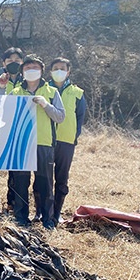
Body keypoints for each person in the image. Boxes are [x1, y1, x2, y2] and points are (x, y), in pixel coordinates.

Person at [9, 54, 65, 229]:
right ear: (22, 72)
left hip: (44, 143)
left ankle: (47, 220)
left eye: (35, 68)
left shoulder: (51, 92)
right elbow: (5, 117)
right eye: (27, 68)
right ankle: (21, 218)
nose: (31, 71)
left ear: (42, 71)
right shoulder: (15, 92)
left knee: (45, 184)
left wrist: (45, 105)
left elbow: (60, 117)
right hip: (21, 144)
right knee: (20, 182)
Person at [49, 57, 86, 225]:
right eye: (55, 68)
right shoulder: (45, 89)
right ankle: (43, 212)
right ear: (50, 71)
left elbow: (80, 118)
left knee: (61, 178)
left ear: (68, 71)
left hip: (66, 142)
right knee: (44, 178)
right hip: (46, 140)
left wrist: (74, 137)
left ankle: (57, 212)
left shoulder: (77, 93)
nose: (59, 71)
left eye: (62, 68)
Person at [0, 47, 25, 212]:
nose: (13, 63)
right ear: (4, 63)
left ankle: (12, 203)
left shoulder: (27, 80)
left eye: (17, 60)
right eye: (10, 60)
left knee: (16, 170)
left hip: (19, 129)